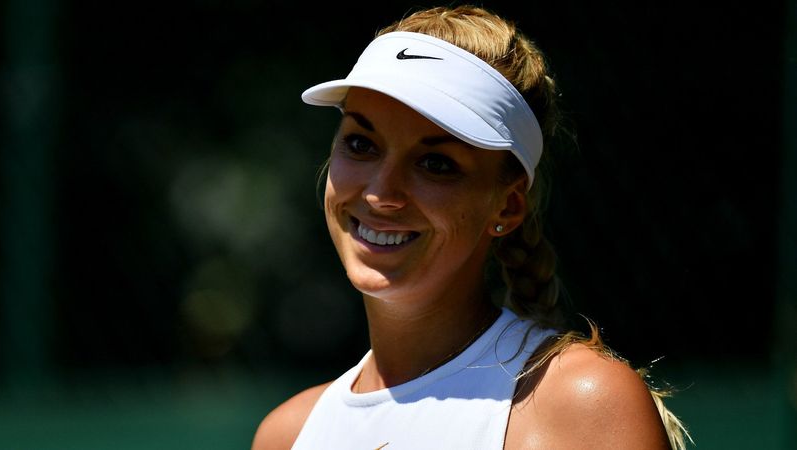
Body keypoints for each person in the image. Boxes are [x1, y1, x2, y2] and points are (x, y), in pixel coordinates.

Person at [253, 5, 690, 449]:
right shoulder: (285, 434)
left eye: (435, 164)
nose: (380, 193)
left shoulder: (581, 403)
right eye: (361, 144)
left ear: (508, 204)